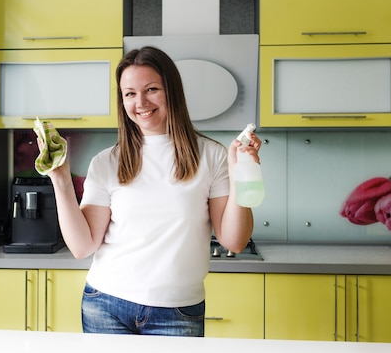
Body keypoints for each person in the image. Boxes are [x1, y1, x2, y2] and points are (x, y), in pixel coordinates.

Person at [40, 46, 261, 336]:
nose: (140, 102)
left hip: (177, 310)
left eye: (151, 89)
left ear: (172, 90)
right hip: (106, 304)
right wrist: (60, 178)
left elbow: (234, 241)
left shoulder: (212, 156)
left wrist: (240, 173)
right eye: (129, 93)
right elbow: (82, 246)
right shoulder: (107, 161)